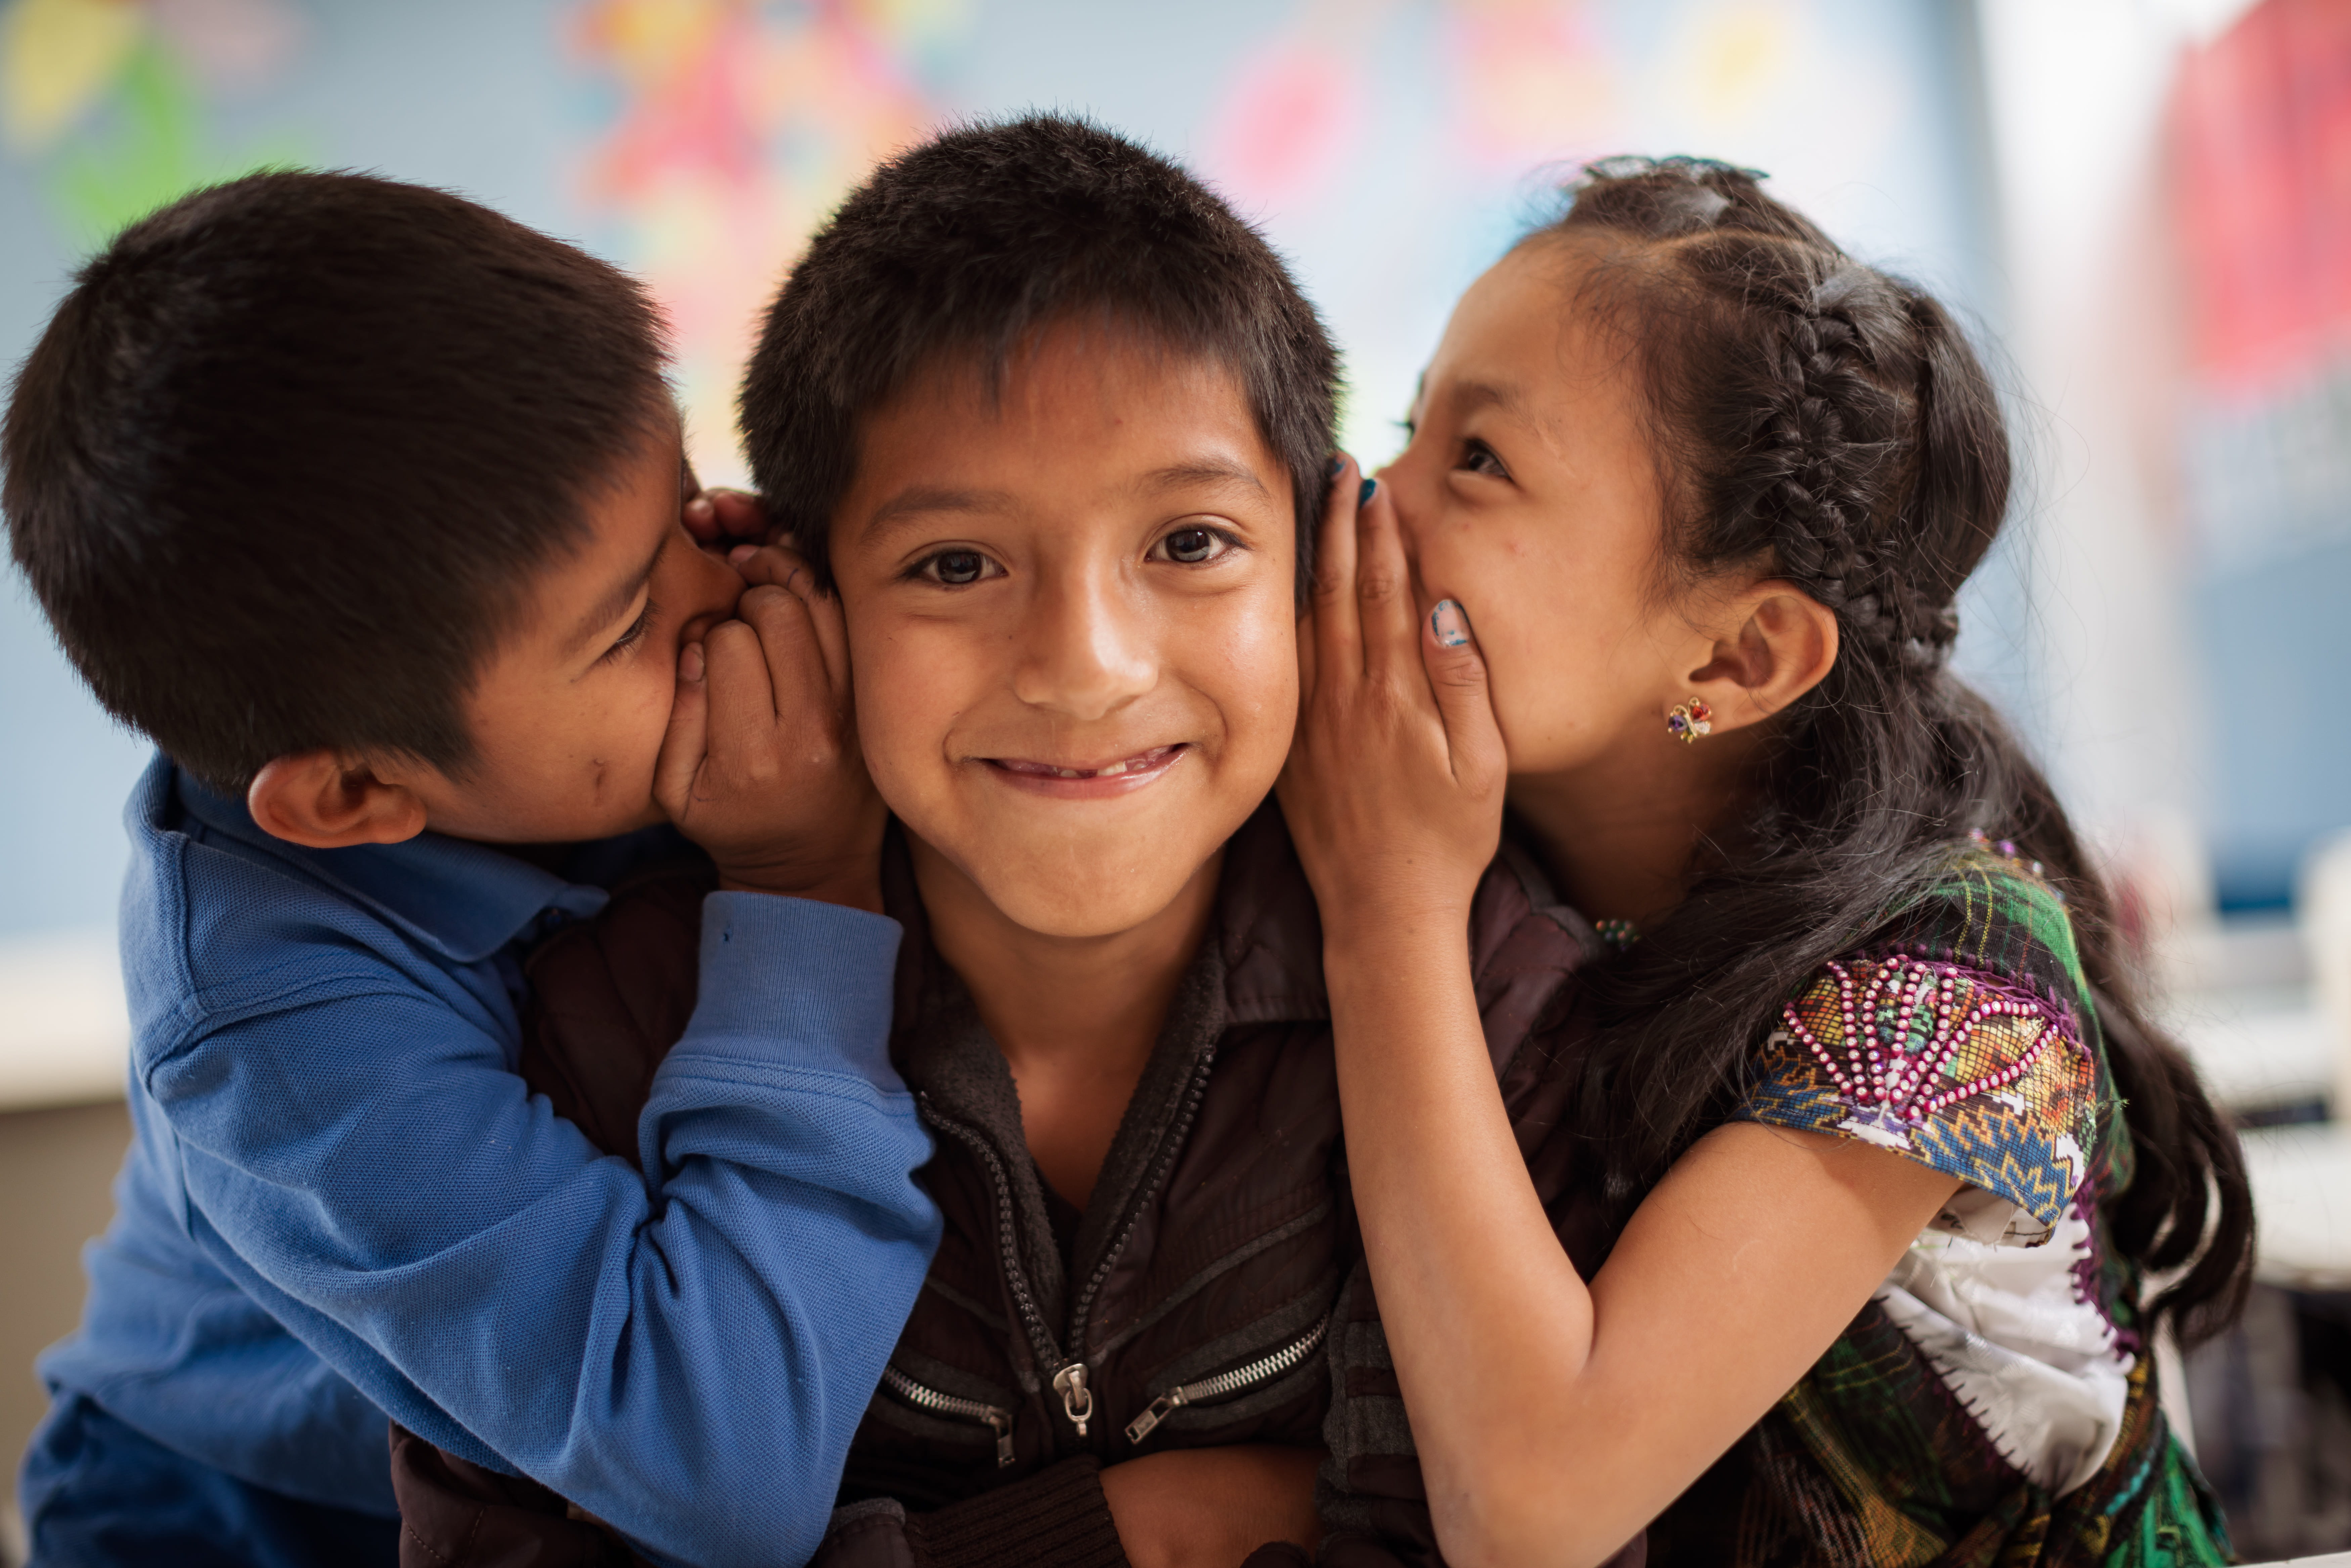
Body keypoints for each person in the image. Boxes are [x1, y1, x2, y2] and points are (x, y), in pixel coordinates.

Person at [388, 117, 1641, 1568]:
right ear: (800, 595)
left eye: (1189, 544)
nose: (1084, 666)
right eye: (954, 564)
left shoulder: (1495, 1000)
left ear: (1316, 562)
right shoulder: (611, 1034)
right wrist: (1130, 1531)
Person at [1279, 156, 2255, 1566]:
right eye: (1412, 423)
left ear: (1736, 656)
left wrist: (1389, 910)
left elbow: (1532, 1501)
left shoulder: (1960, 983)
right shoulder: (1505, 859)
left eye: (1477, 459)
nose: (1371, 491)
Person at [2, 172, 941, 1568]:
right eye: (632, 623)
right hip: (248, 1519)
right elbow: (713, 1461)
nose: (720, 595)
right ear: (360, 793)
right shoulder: (263, 1023)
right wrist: (803, 888)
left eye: (684, 502)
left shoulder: (578, 719)